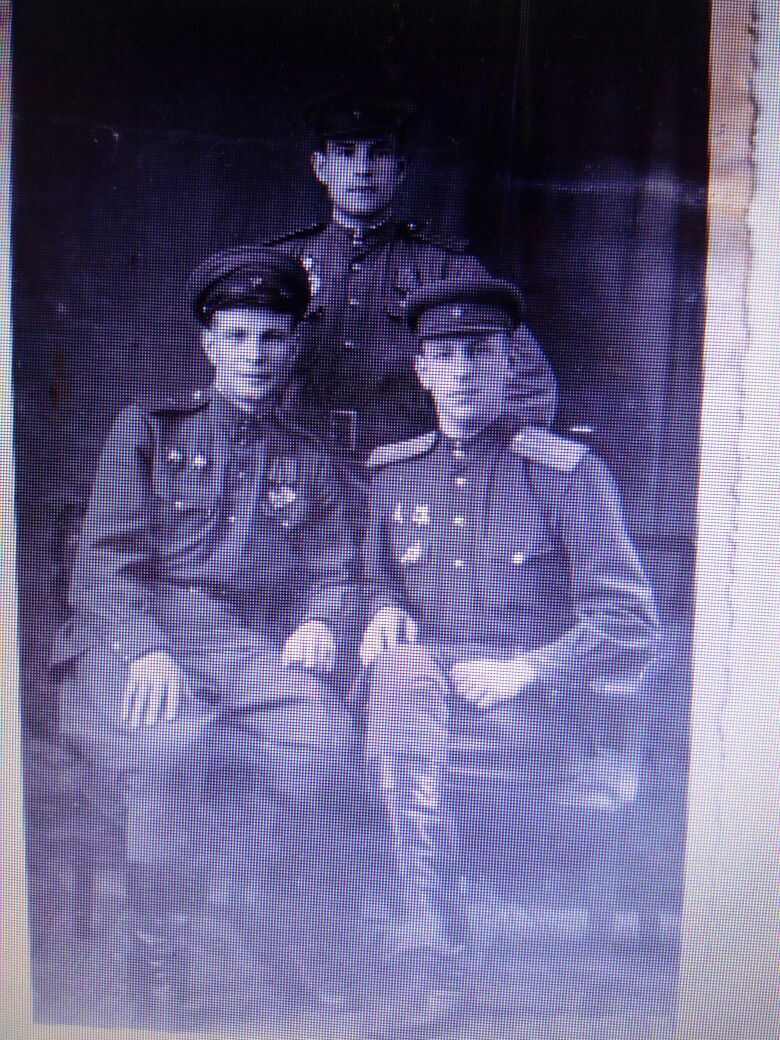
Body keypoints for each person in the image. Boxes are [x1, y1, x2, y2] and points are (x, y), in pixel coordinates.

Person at [52, 248, 360, 1027]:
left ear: (293, 346)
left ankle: (249, 904)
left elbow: (337, 569)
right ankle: (159, 949)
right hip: (134, 631)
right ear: (209, 345)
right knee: (167, 745)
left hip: (240, 647)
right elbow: (101, 561)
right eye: (238, 336)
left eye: (273, 337)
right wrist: (146, 649)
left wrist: (320, 622)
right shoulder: (151, 430)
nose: (257, 355)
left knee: (323, 739)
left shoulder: (307, 456)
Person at [359, 271, 659, 952]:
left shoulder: (566, 474)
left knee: (398, 702)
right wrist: (381, 608)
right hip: (421, 699)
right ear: (422, 372)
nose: (463, 372)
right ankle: (434, 918)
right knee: (400, 679)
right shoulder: (393, 475)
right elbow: (376, 580)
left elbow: (629, 624)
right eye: (445, 356)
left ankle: (431, 924)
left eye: (481, 352)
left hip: (533, 705)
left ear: (510, 364)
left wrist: (525, 671)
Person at [268, 88, 557, 458]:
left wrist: (475, 466)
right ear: (320, 167)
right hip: (299, 468)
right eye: (345, 153)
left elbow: (529, 381)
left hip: (409, 472)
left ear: (401, 169)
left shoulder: (447, 267)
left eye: (380, 153)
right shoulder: (282, 263)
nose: (363, 169)